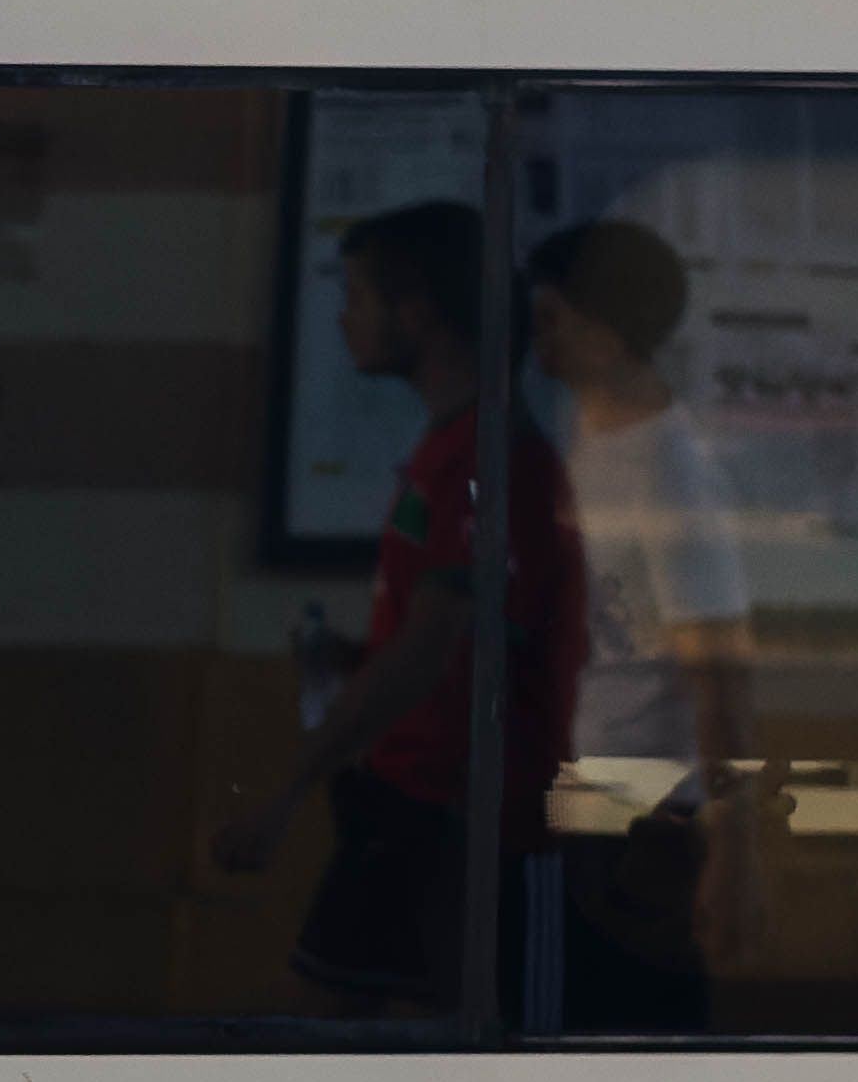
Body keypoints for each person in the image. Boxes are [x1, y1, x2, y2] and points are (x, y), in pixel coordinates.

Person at [215, 202, 586, 1012]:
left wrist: (289, 790)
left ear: (415, 311)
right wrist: (356, 659)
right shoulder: (452, 447)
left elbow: (432, 646)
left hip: (449, 818)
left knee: (313, 1024)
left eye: (357, 298)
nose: (345, 319)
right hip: (411, 806)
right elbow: (447, 643)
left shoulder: (489, 459)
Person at [526, 219, 763, 1018]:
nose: (538, 331)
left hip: (643, 815)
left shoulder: (671, 469)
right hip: (589, 796)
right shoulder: (591, 444)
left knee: (627, 1045)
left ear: (603, 325)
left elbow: (722, 678)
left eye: (552, 313)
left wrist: (735, 857)